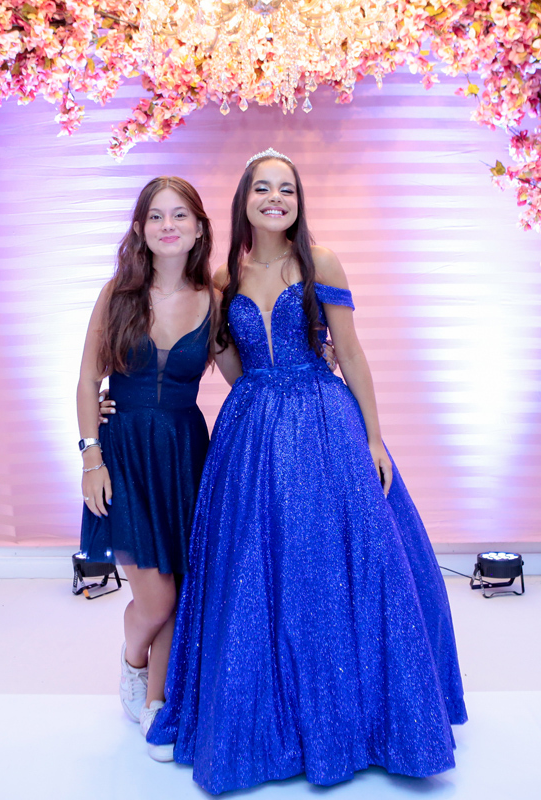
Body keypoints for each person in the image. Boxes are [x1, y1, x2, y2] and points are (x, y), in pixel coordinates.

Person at [146, 149, 468, 793]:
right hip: (252, 431)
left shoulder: (321, 262)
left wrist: (373, 438)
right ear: (243, 200)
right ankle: (264, 721)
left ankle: (358, 723)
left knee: (332, 564)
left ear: (298, 201)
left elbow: (351, 353)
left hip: (325, 423)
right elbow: (228, 362)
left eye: (286, 189)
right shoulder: (225, 279)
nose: (275, 199)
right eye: (262, 188)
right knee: (256, 568)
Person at [76, 176, 240, 740]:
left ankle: (157, 703)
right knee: (156, 596)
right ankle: (133, 660)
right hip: (123, 455)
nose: (168, 226)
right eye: (156, 216)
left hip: (184, 455)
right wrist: (91, 459)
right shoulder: (117, 294)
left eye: (180, 215)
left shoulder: (214, 303)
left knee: (182, 585)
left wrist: (313, 362)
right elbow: (87, 380)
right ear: (141, 229)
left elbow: (246, 381)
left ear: (199, 228)